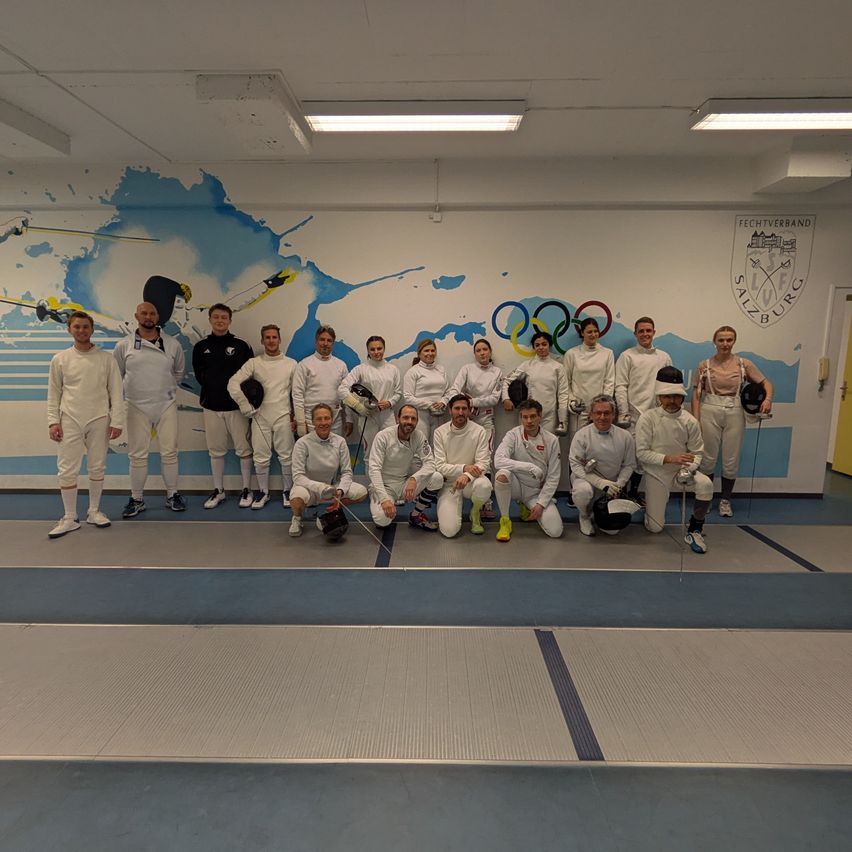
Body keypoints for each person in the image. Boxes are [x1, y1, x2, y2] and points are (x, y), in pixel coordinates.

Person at [46, 311, 125, 538]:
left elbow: (116, 393)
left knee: (97, 466)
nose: (82, 330)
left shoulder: (106, 359)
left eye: (85, 327)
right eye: (77, 327)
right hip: (69, 418)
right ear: (70, 329)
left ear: (92, 329)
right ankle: (70, 517)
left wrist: (117, 421)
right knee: (67, 468)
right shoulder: (60, 359)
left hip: (99, 418)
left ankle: (94, 511)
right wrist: (53, 422)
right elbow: (54, 393)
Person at [113, 301, 186, 517]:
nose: (148, 316)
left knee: (170, 453)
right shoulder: (124, 345)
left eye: (152, 313)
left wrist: (166, 392)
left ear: (157, 317)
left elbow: (179, 373)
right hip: (136, 406)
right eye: (144, 313)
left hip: (166, 405)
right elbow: (117, 377)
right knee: (137, 456)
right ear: (136, 316)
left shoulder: (172, 344)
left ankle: (173, 495)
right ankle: (136, 499)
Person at [691, 325, 773, 518]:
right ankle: (707, 497)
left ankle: (725, 500)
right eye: (721, 340)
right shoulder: (704, 365)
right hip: (710, 408)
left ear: (734, 341)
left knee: (730, 460)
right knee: (708, 458)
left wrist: (767, 399)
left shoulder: (743, 364)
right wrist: (696, 418)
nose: (725, 344)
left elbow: (766, 383)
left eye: (729, 340)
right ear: (715, 341)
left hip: (735, 410)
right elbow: (696, 394)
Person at [635, 367, 713, 553]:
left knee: (706, 484)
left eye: (676, 396)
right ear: (659, 397)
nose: (672, 401)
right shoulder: (647, 419)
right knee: (655, 528)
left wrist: (690, 468)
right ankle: (651, 512)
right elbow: (642, 453)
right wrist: (670, 458)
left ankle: (695, 528)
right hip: (657, 473)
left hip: (681, 471)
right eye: (667, 396)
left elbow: (697, 453)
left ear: (682, 397)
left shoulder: (689, 421)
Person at [227, 324, 298, 509]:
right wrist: (244, 404)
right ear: (262, 340)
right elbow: (233, 383)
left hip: (282, 416)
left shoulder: (291, 364)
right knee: (260, 456)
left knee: (287, 456)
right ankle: (263, 492)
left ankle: (287, 491)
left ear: (279, 340)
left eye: (274, 337)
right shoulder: (254, 363)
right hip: (260, 417)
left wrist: (297, 418)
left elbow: (297, 394)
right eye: (267, 337)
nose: (271, 340)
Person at [192, 303, 254, 509]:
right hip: (211, 407)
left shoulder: (241, 346)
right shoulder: (201, 347)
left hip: (236, 408)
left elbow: (249, 377)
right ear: (210, 320)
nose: (220, 321)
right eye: (216, 317)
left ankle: (246, 489)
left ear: (230, 321)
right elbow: (200, 375)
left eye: (224, 317)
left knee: (244, 449)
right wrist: (213, 390)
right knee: (216, 451)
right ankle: (218, 490)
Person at [289, 403, 368, 537]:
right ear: (313, 421)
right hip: (310, 489)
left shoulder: (340, 441)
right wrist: (320, 487)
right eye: (319, 419)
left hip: (332, 489)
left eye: (327, 418)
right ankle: (296, 519)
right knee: (296, 499)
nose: (323, 422)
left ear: (332, 420)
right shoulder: (302, 443)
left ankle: (334, 508)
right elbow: (297, 476)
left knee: (362, 492)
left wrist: (340, 491)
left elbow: (347, 472)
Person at [614, 316, 672, 500]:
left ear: (654, 332)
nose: (645, 334)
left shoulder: (663, 357)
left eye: (648, 330)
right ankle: (622, 492)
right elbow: (621, 386)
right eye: (641, 331)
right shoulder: (627, 356)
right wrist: (624, 413)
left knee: (648, 457)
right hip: (633, 415)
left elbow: (669, 387)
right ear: (636, 334)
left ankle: (634, 492)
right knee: (631, 457)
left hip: (657, 415)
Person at [447, 338, 503, 519]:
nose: (482, 353)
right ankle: (464, 493)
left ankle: (485, 501)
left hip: (485, 420)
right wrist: (466, 407)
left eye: (485, 349)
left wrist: (473, 402)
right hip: (467, 421)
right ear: (475, 353)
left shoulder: (497, 372)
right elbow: (455, 389)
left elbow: (495, 398)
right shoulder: (467, 369)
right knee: (468, 457)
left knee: (485, 458)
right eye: (478, 350)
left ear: (490, 351)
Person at [493, 399, 563, 541]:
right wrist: (529, 467)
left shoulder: (552, 440)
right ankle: (505, 521)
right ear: (521, 418)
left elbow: (554, 476)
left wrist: (541, 504)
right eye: (525, 417)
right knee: (502, 475)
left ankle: (526, 505)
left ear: (540, 417)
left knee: (556, 532)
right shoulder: (513, 435)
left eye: (533, 416)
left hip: (535, 492)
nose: (529, 421)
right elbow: (498, 460)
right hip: (517, 485)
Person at [367, 405, 443, 530]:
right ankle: (385, 505)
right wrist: (385, 499)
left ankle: (415, 515)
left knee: (437, 478)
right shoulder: (383, 436)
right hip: (384, 486)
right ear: (398, 419)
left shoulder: (419, 436)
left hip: (403, 484)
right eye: (406, 418)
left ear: (417, 421)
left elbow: (430, 463)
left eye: (413, 419)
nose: (409, 422)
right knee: (382, 519)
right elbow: (374, 469)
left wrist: (414, 479)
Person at [569, 395, 636, 536]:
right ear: (591, 414)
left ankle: (597, 512)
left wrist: (618, 485)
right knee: (582, 491)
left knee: (612, 530)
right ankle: (584, 516)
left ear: (613, 414)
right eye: (598, 413)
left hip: (612, 485)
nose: (602, 417)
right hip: (587, 481)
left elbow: (629, 465)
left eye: (607, 413)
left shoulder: (625, 436)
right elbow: (576, 466)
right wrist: (599, 482)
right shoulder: (581, 435)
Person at [432, 394, 492, 537]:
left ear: (469, 410)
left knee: (484, 486)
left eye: (464, 408)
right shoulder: (439, 432)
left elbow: (483, 462)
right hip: (450, 484)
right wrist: (464, 468)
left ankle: (475, 512)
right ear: (450, 411)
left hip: (472, 480)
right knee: (449, 531)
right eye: (457, 408)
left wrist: (467, 475)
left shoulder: (479, 431)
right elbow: (439, 466)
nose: (460, 412)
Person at [338, 335, 401, 457]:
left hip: (387, 416)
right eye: (372, 349)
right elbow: (342, 390)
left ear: (384, 348)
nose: (376, 352)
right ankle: (371, 477)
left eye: (379, 348)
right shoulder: (361, 369)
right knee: (370, 454)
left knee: (390, 453)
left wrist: (390, 402)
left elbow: (398, 393)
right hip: (368, 418)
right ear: (368, 351)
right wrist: (359, 407)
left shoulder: (393, 369)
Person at [502, 330, 568, 434]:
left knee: (548, 447)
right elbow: (506, 380)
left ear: (549, 345)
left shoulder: (558, 367)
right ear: (534, 347)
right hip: (528, 415)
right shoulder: (527, 365)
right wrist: (505, 399)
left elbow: (563, 394)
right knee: (525, 447)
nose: (541, 347)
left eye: (544, 344)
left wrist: (563, 420)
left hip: (549, 416)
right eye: (537, 345)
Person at [292, 325, 352, 438]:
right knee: (312, 455)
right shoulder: (304, 365)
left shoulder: (341, 365)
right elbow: (297, 395)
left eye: (329, 340)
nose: (325, 343)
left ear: (333, 343)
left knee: (334, 454)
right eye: (322, 339)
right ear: (316, 341)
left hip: (335, 422)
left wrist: (349, 419)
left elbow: (346, 395)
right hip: (310, 422)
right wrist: (300, 422)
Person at [562, 317, 615, 438]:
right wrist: (572, 400)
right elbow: (566, 382)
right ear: (582, 333)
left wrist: (604, 404)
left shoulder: (607, 353)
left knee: (600, 444)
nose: (593, 334)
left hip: (600, 410)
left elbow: (609, 381)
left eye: (596, 331)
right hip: (579, 409)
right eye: (589, 332)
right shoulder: (572, 354)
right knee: (577, 445)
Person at [403, 338, 450, 443]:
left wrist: (443, 402)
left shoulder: (441, 370)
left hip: (439, 415)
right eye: (426, 350)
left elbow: (448, 392)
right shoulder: (413, 372)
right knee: (421, 446)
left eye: (432, 350)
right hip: (421, 416)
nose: (430, 353)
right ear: (419, 354)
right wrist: (429, 404)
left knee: (438, 446)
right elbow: (408, 397)